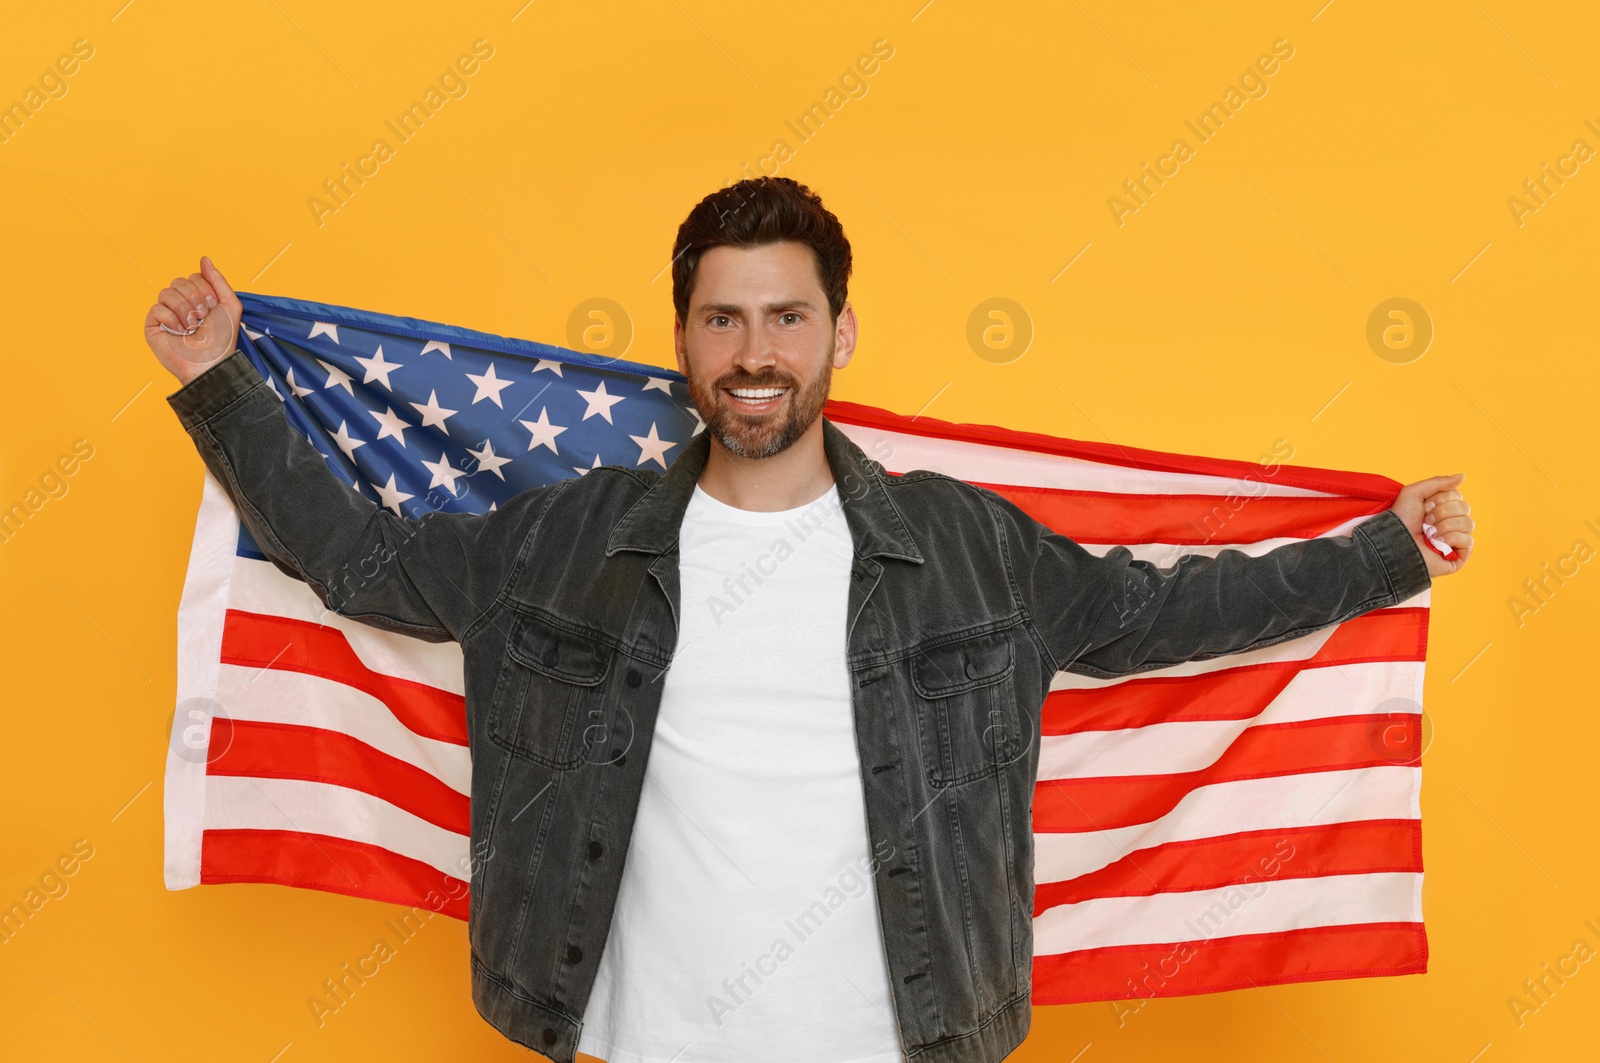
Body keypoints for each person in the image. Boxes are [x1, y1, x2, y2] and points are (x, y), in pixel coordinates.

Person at [145, 176, 1474, 1063]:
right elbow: (363, 563)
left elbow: (1172, 611)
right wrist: (217, 383)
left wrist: (1387, 550)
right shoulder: (565, 539)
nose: (755, 349)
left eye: (787, 315)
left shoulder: (968, 546)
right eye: (724, 317)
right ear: (684, 336)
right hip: (638, 1033)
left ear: (841, 334)